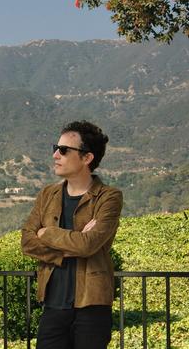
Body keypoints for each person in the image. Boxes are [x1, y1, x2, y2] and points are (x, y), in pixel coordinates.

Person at [21, 121, 123, 349]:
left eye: (64, 150)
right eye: (55, 148)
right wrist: (69, 248)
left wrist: (46, 233)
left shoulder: (109, 197)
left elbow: (88, 244)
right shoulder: (48, 194)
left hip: (92, 308)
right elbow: (27, 242)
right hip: (53, 305)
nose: (56, 155)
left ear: (87, 158)